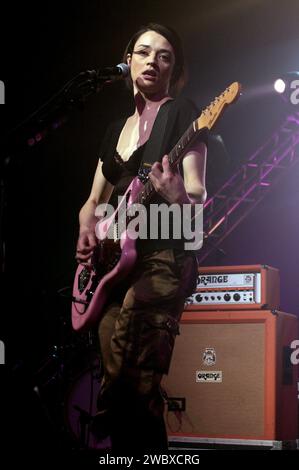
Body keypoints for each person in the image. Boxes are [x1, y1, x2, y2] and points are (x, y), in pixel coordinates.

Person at [75, 23, 207, 454]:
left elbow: (198, 197)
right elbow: (94, 200)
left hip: (163, 257)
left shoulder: (182, 113)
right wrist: (85, 229)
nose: (153, 61)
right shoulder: (116, 128)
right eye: (144, 52)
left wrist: (177, 197)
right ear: (128, 59)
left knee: (134, 376)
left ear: (175, 69)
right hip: (113, 264)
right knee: (118, 377)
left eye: (164, 55)